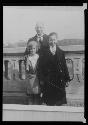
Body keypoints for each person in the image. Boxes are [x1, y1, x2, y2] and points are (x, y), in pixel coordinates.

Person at [38, 32, 70, 106]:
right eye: (50, 40)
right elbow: (40, 66)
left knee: (59, 101)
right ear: (48, 41)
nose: (52, 42)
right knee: (49, 102)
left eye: (54, 40)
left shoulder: (61, 52)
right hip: (48, 79)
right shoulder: (44, 52)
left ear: (57, 40)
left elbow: (64, 66)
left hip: (59, 79)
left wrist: (67, 79)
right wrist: (41, 79)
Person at [25, 40, 40, 105]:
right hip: (30, 77)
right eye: (30, 49)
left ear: (36, 49)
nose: (32, 50)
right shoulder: (28, 57)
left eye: (34, 48)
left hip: (37, 77)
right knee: (30, 93)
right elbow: (26, 68)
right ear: (28, 49)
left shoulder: (38, 57)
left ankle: (36, 106)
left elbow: (40, 67)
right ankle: (30, 105)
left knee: (37, 93)